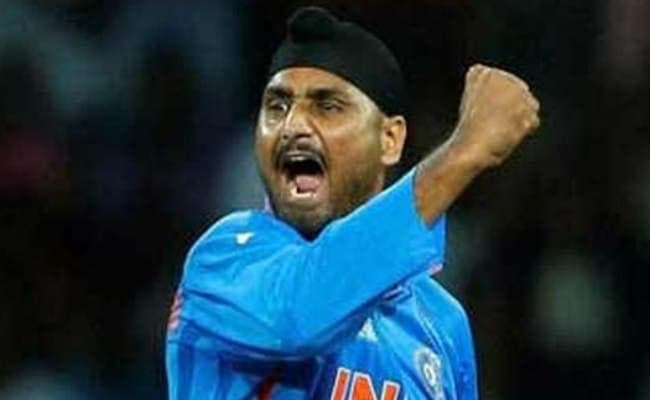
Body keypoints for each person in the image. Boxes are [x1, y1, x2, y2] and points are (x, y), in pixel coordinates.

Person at [166, 6, 540, 400]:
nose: (293, 125)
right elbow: (300, 317)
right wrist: (464, 151)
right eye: (277, 106)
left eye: (327, 106)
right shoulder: (224, 262)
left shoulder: (441, 322)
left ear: (390, 139)